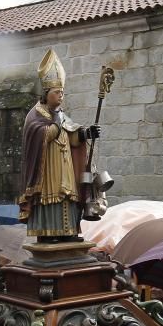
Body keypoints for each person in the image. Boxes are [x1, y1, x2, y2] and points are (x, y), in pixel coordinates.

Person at [18, 48, 100, 241]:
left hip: (65, 165)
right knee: (51, 195)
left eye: (62, 92)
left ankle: (68, 232)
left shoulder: (61, 114)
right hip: (46, 169)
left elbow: (72, 137)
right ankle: (48, 234)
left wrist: (87, 133)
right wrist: (56, 122)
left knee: (67, 195)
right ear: (47, 94)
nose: (61, 95)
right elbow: (42, 136)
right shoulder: (35, 114)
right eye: (57, 92)